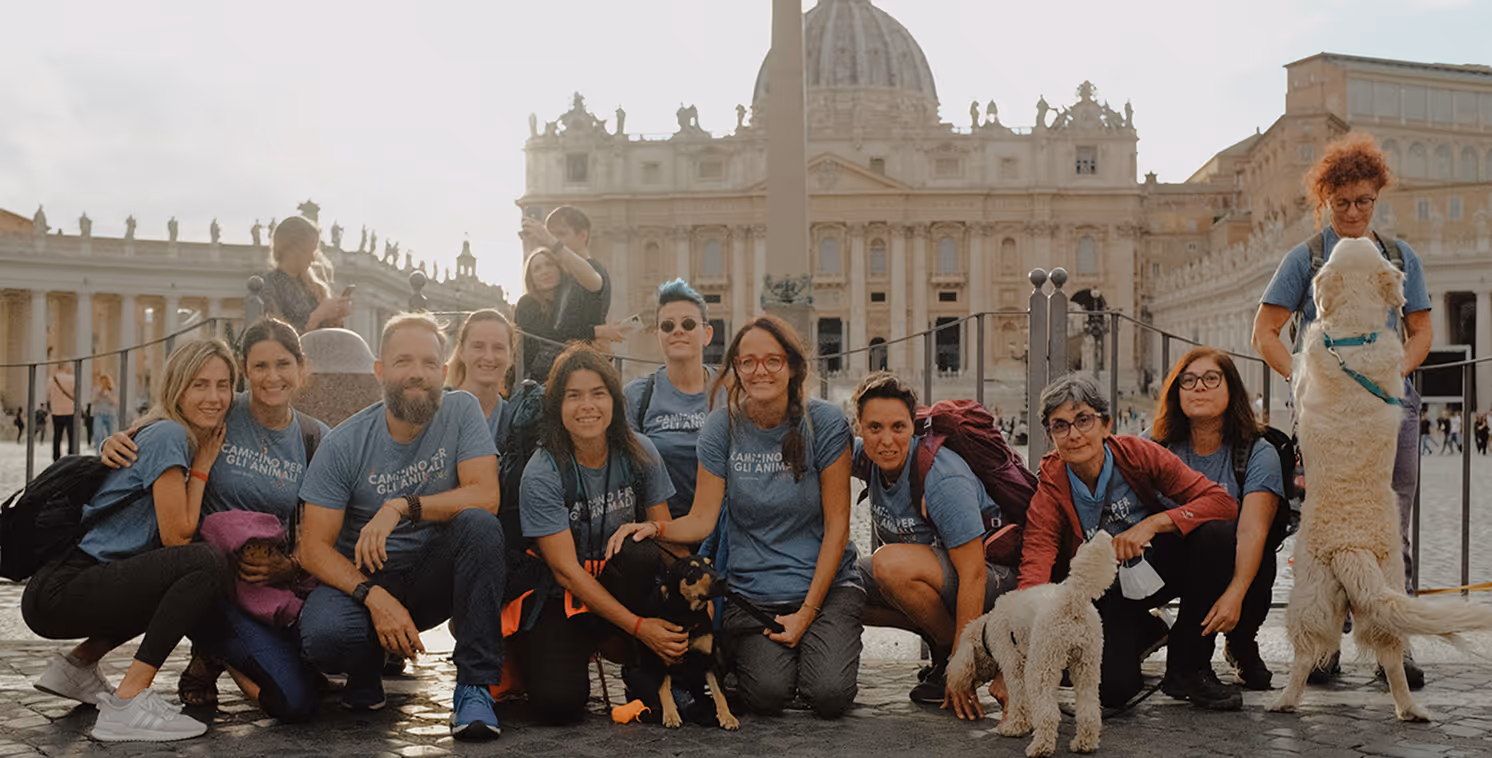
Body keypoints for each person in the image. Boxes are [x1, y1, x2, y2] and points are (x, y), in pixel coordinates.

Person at [609, 316, 863, 719]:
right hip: (754, 593)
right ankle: (785, 656)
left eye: (773, 360)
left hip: (824, 590)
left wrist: (807, 614)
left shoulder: (826, 421)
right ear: (736, 369)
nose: (760, 371)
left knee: (829, 694)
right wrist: (655, 527)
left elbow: (838, 528)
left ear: (793, 366)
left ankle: (817, 644)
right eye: (748, 361)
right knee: (766, 694)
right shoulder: (721, 426)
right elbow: (702, 519)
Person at [1252, 131, 1432, 686]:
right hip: (1327, 412)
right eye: (1342, 202)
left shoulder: (1400, 257)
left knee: (1391, 525)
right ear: (1324, 201)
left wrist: (1391, 374)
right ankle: (1324, 644)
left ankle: (1392, 644)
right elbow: (1265, 331)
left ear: (1377, 197)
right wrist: (1302, 374)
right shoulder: (1305, 258)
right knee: (1325, 522)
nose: (1353, 213)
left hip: (1388, 410)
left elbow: (1421, 331)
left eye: (1363, 201)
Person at [99, 318, 331, 722]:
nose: (272, 377)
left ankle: (218, 655)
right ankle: (218, 649)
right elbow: (160, 429)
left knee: (318, 683)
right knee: (294, 702)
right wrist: (114, 440)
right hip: (212, 587)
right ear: (244, 369)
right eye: (260, 366)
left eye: (283, 364)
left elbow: (325, 522)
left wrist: (291, 565)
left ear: (301, 366)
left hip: (271, 589)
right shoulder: (218, 408)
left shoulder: (314, 437)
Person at [296, 312, 505, 740]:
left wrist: (401, 506)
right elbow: (312, 548)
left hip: (431, 575)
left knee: (480, 525)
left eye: (429, 363)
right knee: (325, 636)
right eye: (403, 361)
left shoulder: (461, 409)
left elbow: (486, 495)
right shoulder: (345, 443)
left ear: (443, 372)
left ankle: (474, 687)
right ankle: (364, 666)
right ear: (380, 370)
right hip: (366, 578)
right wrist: (374, 597)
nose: (417, 373)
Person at [21, 339, 234, 742]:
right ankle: (129, 700)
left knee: (170, 576)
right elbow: (177, 536)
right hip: (65, 586)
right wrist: (203, 467)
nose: (214, 397)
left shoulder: (167, 430)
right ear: (176, 388)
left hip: (64, 584)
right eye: (200, 384)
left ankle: (77, 667)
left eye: (223, 385)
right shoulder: (170, 434)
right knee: (203, 563)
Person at [1020, 373, 1240, 711]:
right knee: (1114, 690)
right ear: (1050, 436)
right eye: (1060, 426)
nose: (1074, 434)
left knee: (1216, 536)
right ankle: (1148, 630)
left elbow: (1222, 504)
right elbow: (1036, 562)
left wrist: (1152, 525)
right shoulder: (1051, 487)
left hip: (1155, 565)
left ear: (1106, 425)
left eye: (1083, 420)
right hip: (1106, 593)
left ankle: (1189, 666)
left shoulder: (1137, 453)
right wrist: (1023, 647)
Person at [513, 344, 678, 724]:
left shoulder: (640, 452)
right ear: (557, 406)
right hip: (563, 597)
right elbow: (567, 573)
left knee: (642, 549)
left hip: (624, 579)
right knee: (558, 703)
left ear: (614, 401)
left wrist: (695, 611)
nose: (587, 405)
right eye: (573, 396)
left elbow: (666, 542)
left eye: (597, 393)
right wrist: (642, 629)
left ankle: (631, 658)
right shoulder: (542, 472)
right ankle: (550, 649)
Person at [848, 371, 1016, 716]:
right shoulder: (866, 458)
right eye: (874, 427)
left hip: (991, 579)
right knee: (843, 589)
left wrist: (961, 667)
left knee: (888, 564)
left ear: (913, 426)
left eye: (898, 427)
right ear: (858, 429)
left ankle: (963, 657)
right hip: (942, 577)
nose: (886, 440)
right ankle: (945, 646)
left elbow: (973, 574)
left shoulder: (942, 477)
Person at [1150, 348, 1284, 692]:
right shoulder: (1154, 445)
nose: (1199, 387)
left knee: (1227, 538)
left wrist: (1235, 594)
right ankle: (1149, 629)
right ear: (1176, 391)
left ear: (1231, 389)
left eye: (1211, 379)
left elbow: (1253, 531)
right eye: (1188, 380)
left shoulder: (1258, 452)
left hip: (1232, 558)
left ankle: (1232, 644)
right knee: (1115, 684)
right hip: (1169, 560)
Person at [624, 279, 718, 521]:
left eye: (688, 324)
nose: (678, 331)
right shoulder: (637, 395)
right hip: (662, 528)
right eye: (668, 326)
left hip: (724, 528)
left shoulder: (730, 390)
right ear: (658, 335)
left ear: (707, 334)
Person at [516, 206, 623, 378]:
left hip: (578, 371)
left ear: (583, 235)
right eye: (552, 235)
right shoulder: (566, 280)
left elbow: (594, 281)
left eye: (561, 234)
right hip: (557, 372)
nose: (554, 241)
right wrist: (599, 332)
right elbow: (561, 331)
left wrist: (553, 244)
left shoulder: (592, 269)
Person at [261, 215, 350, 334]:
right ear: (293, 250)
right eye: (310, 251)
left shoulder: (314, 287)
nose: (313, 259)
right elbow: (278, 337)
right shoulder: (268, 285)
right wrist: (317, 316)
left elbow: (327, 335)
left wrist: (336, 317)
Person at [447, 308, 515, 449]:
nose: (489, 357)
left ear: (511, 357)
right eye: (478, 347)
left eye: (498, 348)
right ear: (461, 351)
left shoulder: (516, 421)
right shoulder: (437, 410)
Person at [47, 362, 77, 461]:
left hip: (56, 411)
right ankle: (71, 455)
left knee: (57, 435)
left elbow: (48, 395)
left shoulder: (52, 380)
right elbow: (76, 394)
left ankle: (56, 456)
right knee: (71, 435)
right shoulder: (72, 379)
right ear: (66, 367)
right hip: (70, 410)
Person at [93, 374, 118, 446]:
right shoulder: (96, 389)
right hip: (99, 414)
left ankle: (111, 449)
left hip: (110, 414)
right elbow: (93, 401)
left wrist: (108, 394)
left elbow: (114, 402)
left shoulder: (113, 390)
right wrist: (100, 393)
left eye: (105, 382)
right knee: (98, 434)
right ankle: (99, 451)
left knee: (111, 435)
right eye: (102, 382)